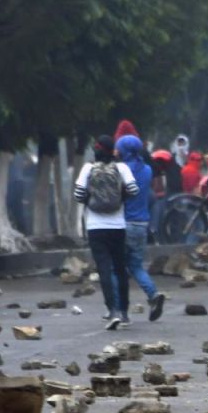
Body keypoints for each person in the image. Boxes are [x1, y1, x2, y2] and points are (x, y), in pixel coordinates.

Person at [74, 135, 138, 330]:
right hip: (118, 226)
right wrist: (119, 199)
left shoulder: (88, 168)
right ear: (113, 151)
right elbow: (134, 190)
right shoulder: (122, 168)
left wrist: (91, 200)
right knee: (120, 269)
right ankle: (125, 313)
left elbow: (78, 194)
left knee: (104, 269)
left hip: (95, 227)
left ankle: (112, 311)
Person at [114, 134, 165, 324]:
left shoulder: (120, 170)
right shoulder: (147, 170)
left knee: (117, 268)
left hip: (123, 223)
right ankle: (153, 294)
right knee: (136, 265)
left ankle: (119, 309)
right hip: (142, 224)